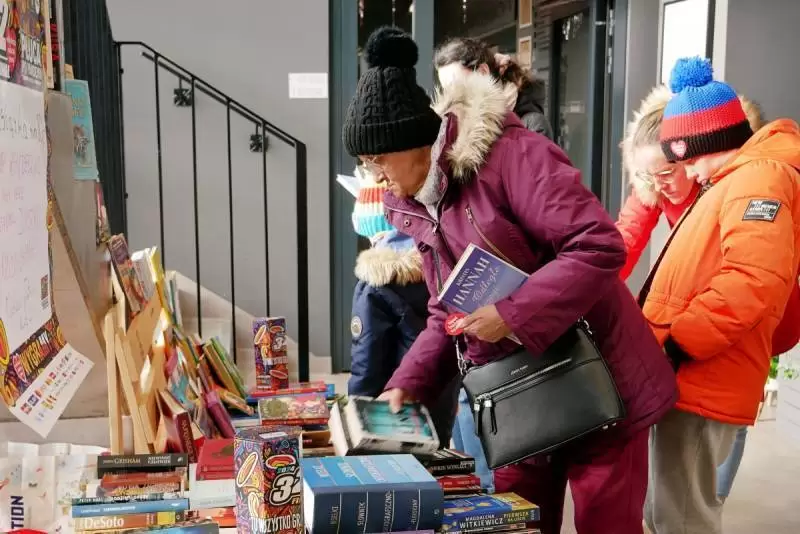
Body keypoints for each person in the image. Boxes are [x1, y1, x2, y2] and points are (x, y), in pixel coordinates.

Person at [343, 26, 676, 534]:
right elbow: (446, 309)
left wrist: (511, 314)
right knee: (518, 520)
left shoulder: (515, 156)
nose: (374, 175)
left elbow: (599, 244)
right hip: (519, 393)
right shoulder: (413, 203)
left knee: (605, 521)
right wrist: (408, 382)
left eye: (376, 159)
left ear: (413, 143)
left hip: (599, 375)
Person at [616, 85, 800, 501]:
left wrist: (679, 342)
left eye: (684, 164)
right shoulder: (726, 178)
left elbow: (751, 280)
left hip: (707, 362)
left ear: (708, 147)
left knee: (686, 508)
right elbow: (625, 240)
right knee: (672, 505)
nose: (688, 174)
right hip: (693, 361)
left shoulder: (755, 179)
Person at [433, 37, 555, 492]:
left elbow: (547, 235)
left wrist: (513, 308)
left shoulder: (525, 134)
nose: (451, 102)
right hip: (488, 308)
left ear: (483, 74)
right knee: (473, 417)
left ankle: (490, 492)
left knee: (511, 455)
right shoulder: (460, 141)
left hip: (519, 308)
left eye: (457, 87)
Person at [347, 166, 457, 445]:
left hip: (390, 409)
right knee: (436, 457)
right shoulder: (437, 270)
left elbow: (366, 360)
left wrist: (355, 412)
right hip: (436, 398)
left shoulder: (375, 284)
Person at [434, 37, 553, 139]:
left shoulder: (532, 124)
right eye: (446, 90)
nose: (451, 96)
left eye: (456, 85)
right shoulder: (456, 126)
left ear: (482, 72)